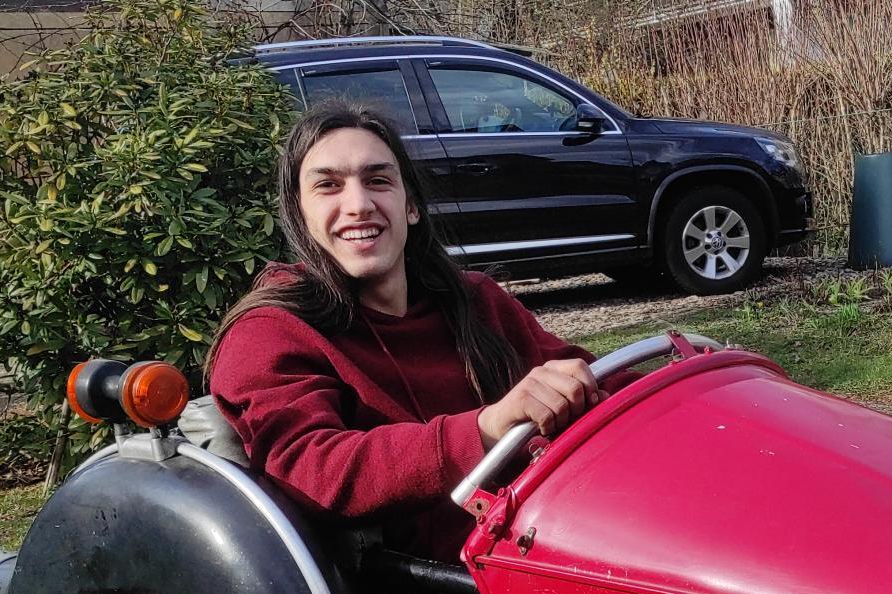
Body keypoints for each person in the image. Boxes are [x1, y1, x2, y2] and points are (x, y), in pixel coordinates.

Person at [207, 100, 627, 560]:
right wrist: (486, 428)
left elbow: (596, 380)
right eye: (328, 186)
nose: (359, 205)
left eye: (378, 181)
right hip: (439, 585)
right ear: (298, 214)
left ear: (410, 206)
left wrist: (683, 388)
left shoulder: (476, 300)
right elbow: (314, 470)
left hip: (570, 529)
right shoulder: (270, 332)